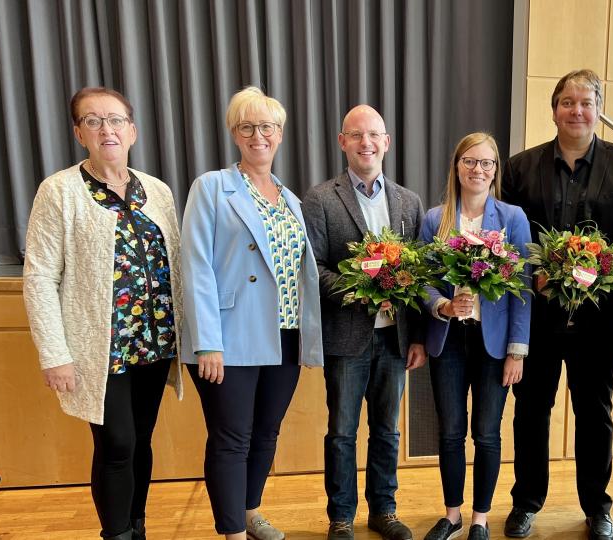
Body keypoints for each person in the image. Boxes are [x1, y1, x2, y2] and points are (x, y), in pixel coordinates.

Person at [23, 87, 184, 540]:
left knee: (143, 441)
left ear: (132, 130)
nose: (106, 129)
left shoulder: (157, 190)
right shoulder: (59, 191)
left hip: (154, 343)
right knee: (117, 444)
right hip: (100, 349)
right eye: (93, 121)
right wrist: (54, 353)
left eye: (115, 120)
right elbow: (39, 277)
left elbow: (175, 266)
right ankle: (115, 534)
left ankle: (138, 526)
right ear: (79, 133)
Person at [501, 69, 613, 540]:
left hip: (600, 320)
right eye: (567, 102)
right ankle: (526, 502)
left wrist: (598, 268)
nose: (577, 110)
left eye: (586, 102)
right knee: (530, 412)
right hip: (539, 318)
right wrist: (538, 269)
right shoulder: (521, 167)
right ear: (553, 110)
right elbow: (506, 239)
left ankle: (597, 507)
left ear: (598, 109)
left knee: (595, 413)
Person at [180, 86, 323, 540]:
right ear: (235, 134)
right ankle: (231, 532)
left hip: (283, 335)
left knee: (265, 435)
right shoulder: (212, 187)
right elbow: (195, 265)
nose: (258, 135)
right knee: (231, 438)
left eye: (266, 127)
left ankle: (249, 511)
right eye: (247, 127)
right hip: (228, 336)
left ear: (280, 135)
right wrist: (207, 341)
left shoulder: (292, 200)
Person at [302, 104, 427, 540]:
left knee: (388, 431)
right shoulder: (319, 199)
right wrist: (359, 289)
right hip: (346, 337)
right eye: (356, 135)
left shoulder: (408, 202)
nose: (366, 143)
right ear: (343, 142)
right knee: (341, 432)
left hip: (395, 339)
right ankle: (341, 517)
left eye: (374, 135)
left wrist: (419, 339)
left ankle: (384, 510)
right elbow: (312, 270)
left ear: (387, 142)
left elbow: (418, 274)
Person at [419, 133, 532, 540]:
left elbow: (522, 287)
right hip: (448, 341)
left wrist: (517, 350)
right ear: (457, 166)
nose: (478, 170)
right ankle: (451, 514)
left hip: (494, 343)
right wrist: (443, 306)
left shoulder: (512, 218)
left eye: (487, 163)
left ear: (495, 170)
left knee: (487, 432)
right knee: (450, 431)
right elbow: (423, 284)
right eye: (470, 162)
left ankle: (480, 518)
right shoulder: (436, 220)